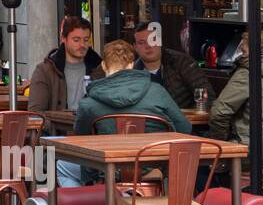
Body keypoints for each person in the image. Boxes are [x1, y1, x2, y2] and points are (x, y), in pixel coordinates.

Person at [56, 39, 189, 191]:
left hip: (107, 170)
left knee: (60, 166)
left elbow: (82, 139)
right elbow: (184, 128)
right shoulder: (158, 92)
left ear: (104, 66)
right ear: (132, 65)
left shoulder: (89, 104)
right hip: (153, 168)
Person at [209, 29, 263, 167]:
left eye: (245, 43)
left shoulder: (246, 74)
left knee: (203, 164)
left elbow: (219, 112)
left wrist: (222, 143)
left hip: (255, 153)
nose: (240, 47)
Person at [28, 16, 103, 113]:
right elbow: (36, 112)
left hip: (90, 126)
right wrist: (54, 126)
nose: (82, 45)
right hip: (57, 126)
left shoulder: (100, 69)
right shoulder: (44, 71)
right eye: (76, 40)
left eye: (86, 40)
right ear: (63, 38)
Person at [130, 21, 211, 109]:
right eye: (141, 43)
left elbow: (207, 96)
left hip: (184, 120)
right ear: (135, 47)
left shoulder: (182, 62)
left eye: (153, 40)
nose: (148, 46)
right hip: (149, 120)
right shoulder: (132, 72)